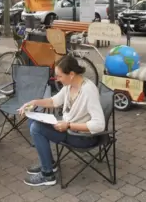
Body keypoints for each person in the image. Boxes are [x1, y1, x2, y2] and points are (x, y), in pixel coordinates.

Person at [18, 56, 105, 187]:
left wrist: (68, 125)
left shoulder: (88, 91)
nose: (56, 79)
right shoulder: (70, 86)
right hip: (70, 129)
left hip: (82, 137)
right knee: (32, 122)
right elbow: (54, 101)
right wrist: (34, 102)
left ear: (71, 74)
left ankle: (47, 175)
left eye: (59, 76)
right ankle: (50, 164)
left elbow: (99, 125)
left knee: (36, 128)